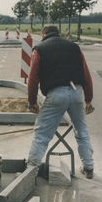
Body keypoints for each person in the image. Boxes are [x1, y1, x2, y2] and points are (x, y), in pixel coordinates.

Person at [27, 24, 94, 179]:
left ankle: (31, 173)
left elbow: (32, 79)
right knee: (82, 132)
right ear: (58, 34)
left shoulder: (39, 49)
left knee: (42, 135)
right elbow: (86, 74)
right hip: (76, 91)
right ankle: (89, 167)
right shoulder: (74, 47)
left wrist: (32, 101)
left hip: (56, 94)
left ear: (43, 35)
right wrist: (88, 99)